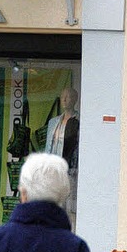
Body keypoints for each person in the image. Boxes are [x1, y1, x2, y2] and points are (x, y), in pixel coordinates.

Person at [45, 87, 80, 228]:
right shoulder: (54, 122)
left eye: (69, 96)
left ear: (75, 100)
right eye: (62, 96)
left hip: (70, 170)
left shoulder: (79, 121)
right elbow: (48, 146)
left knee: (70, 206)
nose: (65, 99)